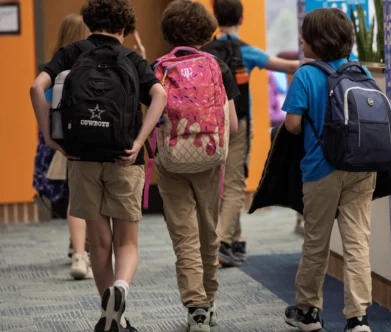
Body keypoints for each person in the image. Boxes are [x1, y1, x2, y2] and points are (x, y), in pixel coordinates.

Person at [30, 1, 167, 331]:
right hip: (124, 158)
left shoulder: (71, 52)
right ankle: (121, 290)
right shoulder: (131, 58)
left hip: (81, 158)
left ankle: (112, 315)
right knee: (127, 243)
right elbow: (159, 96)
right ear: (124, 28)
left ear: (90, 22)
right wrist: (137, 143)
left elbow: (37, 87)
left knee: (100, 243)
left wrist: (50, 136)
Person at [282, 8, 374, 332]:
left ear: (315, 42)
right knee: (357, 243)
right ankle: (358, 318)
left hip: (321, 170)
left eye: (305, 35)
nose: (302, 40)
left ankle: (307, 313)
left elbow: (292, 125)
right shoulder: (360, 70)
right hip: (362, 168)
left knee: (316, 242)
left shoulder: (306, 75)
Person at [154, 1, 239, 331]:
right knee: (208, 233)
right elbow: (231, 125)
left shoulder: (158, 68)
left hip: (172, 162)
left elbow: (151, 118)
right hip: (209, 160)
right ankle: (211, 300)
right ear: (207, 31)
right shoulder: (218, 66)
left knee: (184, 236)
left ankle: (196, 309)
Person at [203, 0, 300, 267]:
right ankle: (219, 241)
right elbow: (289, 67)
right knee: (234, 185)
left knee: (216, 183)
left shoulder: (206, 51)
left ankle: (236, 239)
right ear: (242, 19)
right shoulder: (247, 51)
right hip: (239, 123)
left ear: (215, 18)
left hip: (208, 126)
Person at [33, 13, 93, 280]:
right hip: (94, 137)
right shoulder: (93, 64)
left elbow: (43, 100)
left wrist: (48, 136)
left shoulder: (54, 66)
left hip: (64, 139)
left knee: (74, 196)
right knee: (89, 196)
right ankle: (82, 250)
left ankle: (78, 246)